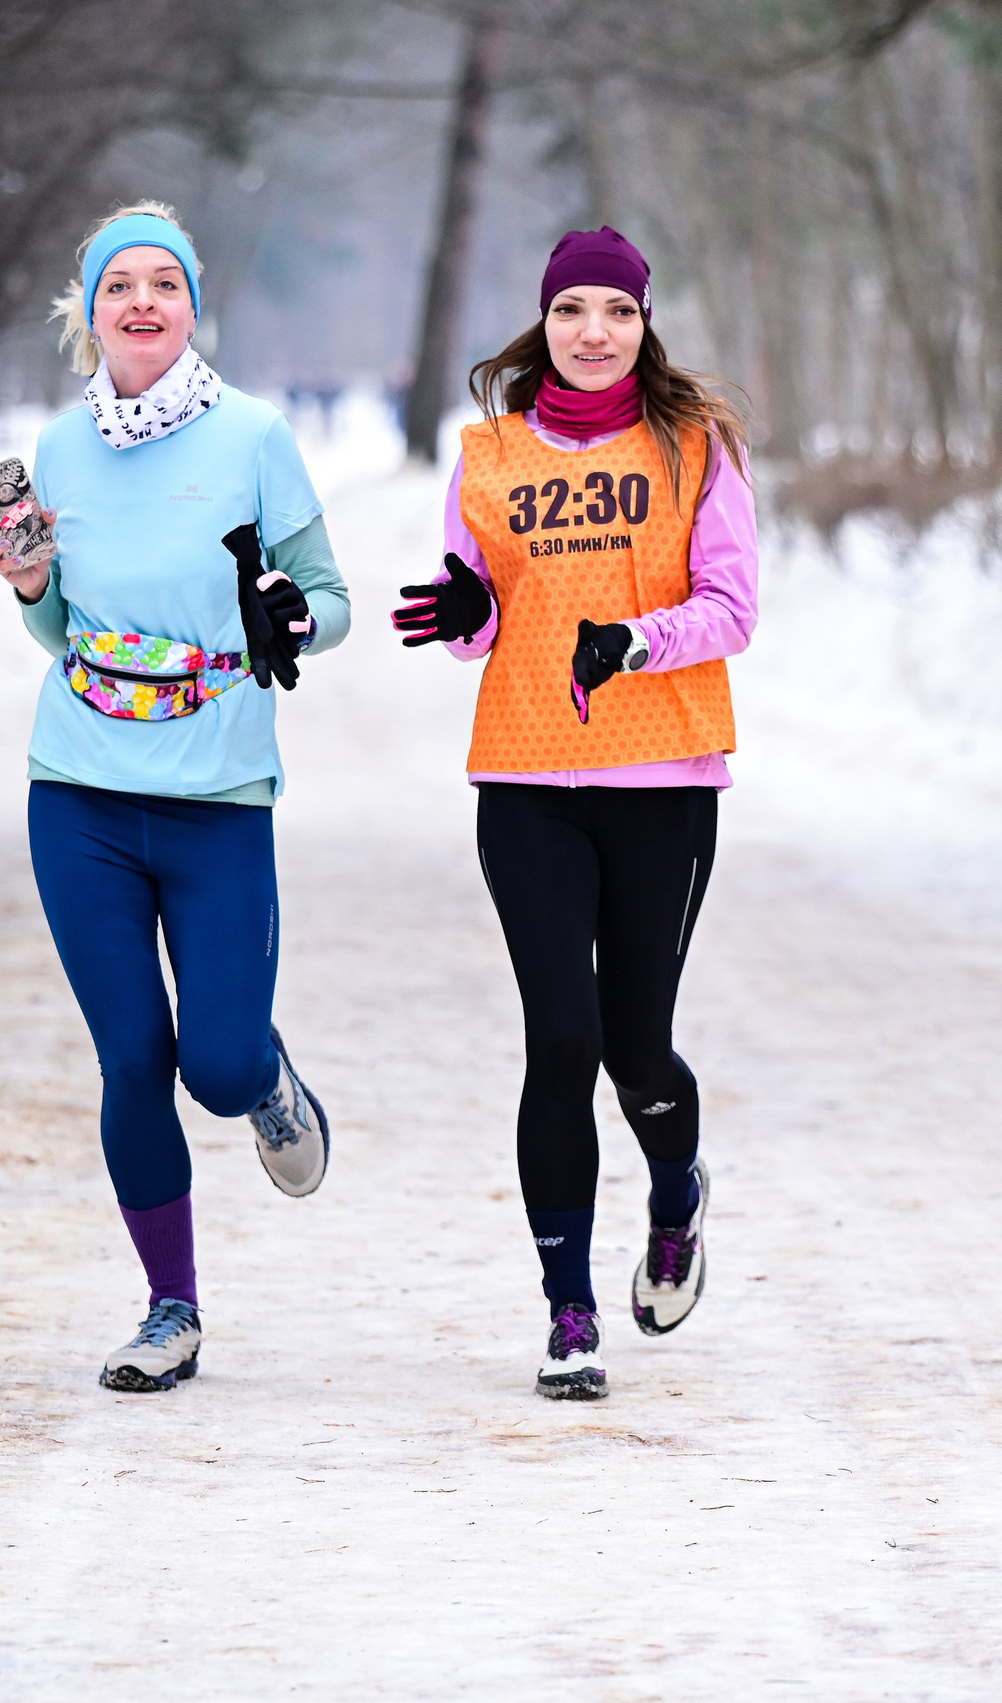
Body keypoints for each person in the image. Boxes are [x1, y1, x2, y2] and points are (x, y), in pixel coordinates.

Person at [0, 202, 348, 1394]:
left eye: (163, 285)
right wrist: (32, 579)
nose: (142, 302)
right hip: (79, 790)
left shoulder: (252, 436)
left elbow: (328, 599)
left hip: (218, 791)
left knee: (217, 1064)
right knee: (132, 1056)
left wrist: (290, 617)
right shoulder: (59, 446)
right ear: (87, 315)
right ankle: (169, 1308)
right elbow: (57, 633)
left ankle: (266, 1079)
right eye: (117, 286)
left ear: (194, 305)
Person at [390, 227, 755, 1400]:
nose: (592, 331)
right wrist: (462, 612)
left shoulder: (694, 448)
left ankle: (675, 1191)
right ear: (542, 322)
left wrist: (638, 640)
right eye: (570, 310)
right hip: (526, 781)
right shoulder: (488, 453)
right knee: (562, 1042)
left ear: (645, 324)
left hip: (663, 781)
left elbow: (733, 607)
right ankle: (568, 1309)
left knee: (636, 1045)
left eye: (616, 310)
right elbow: (484, 611)